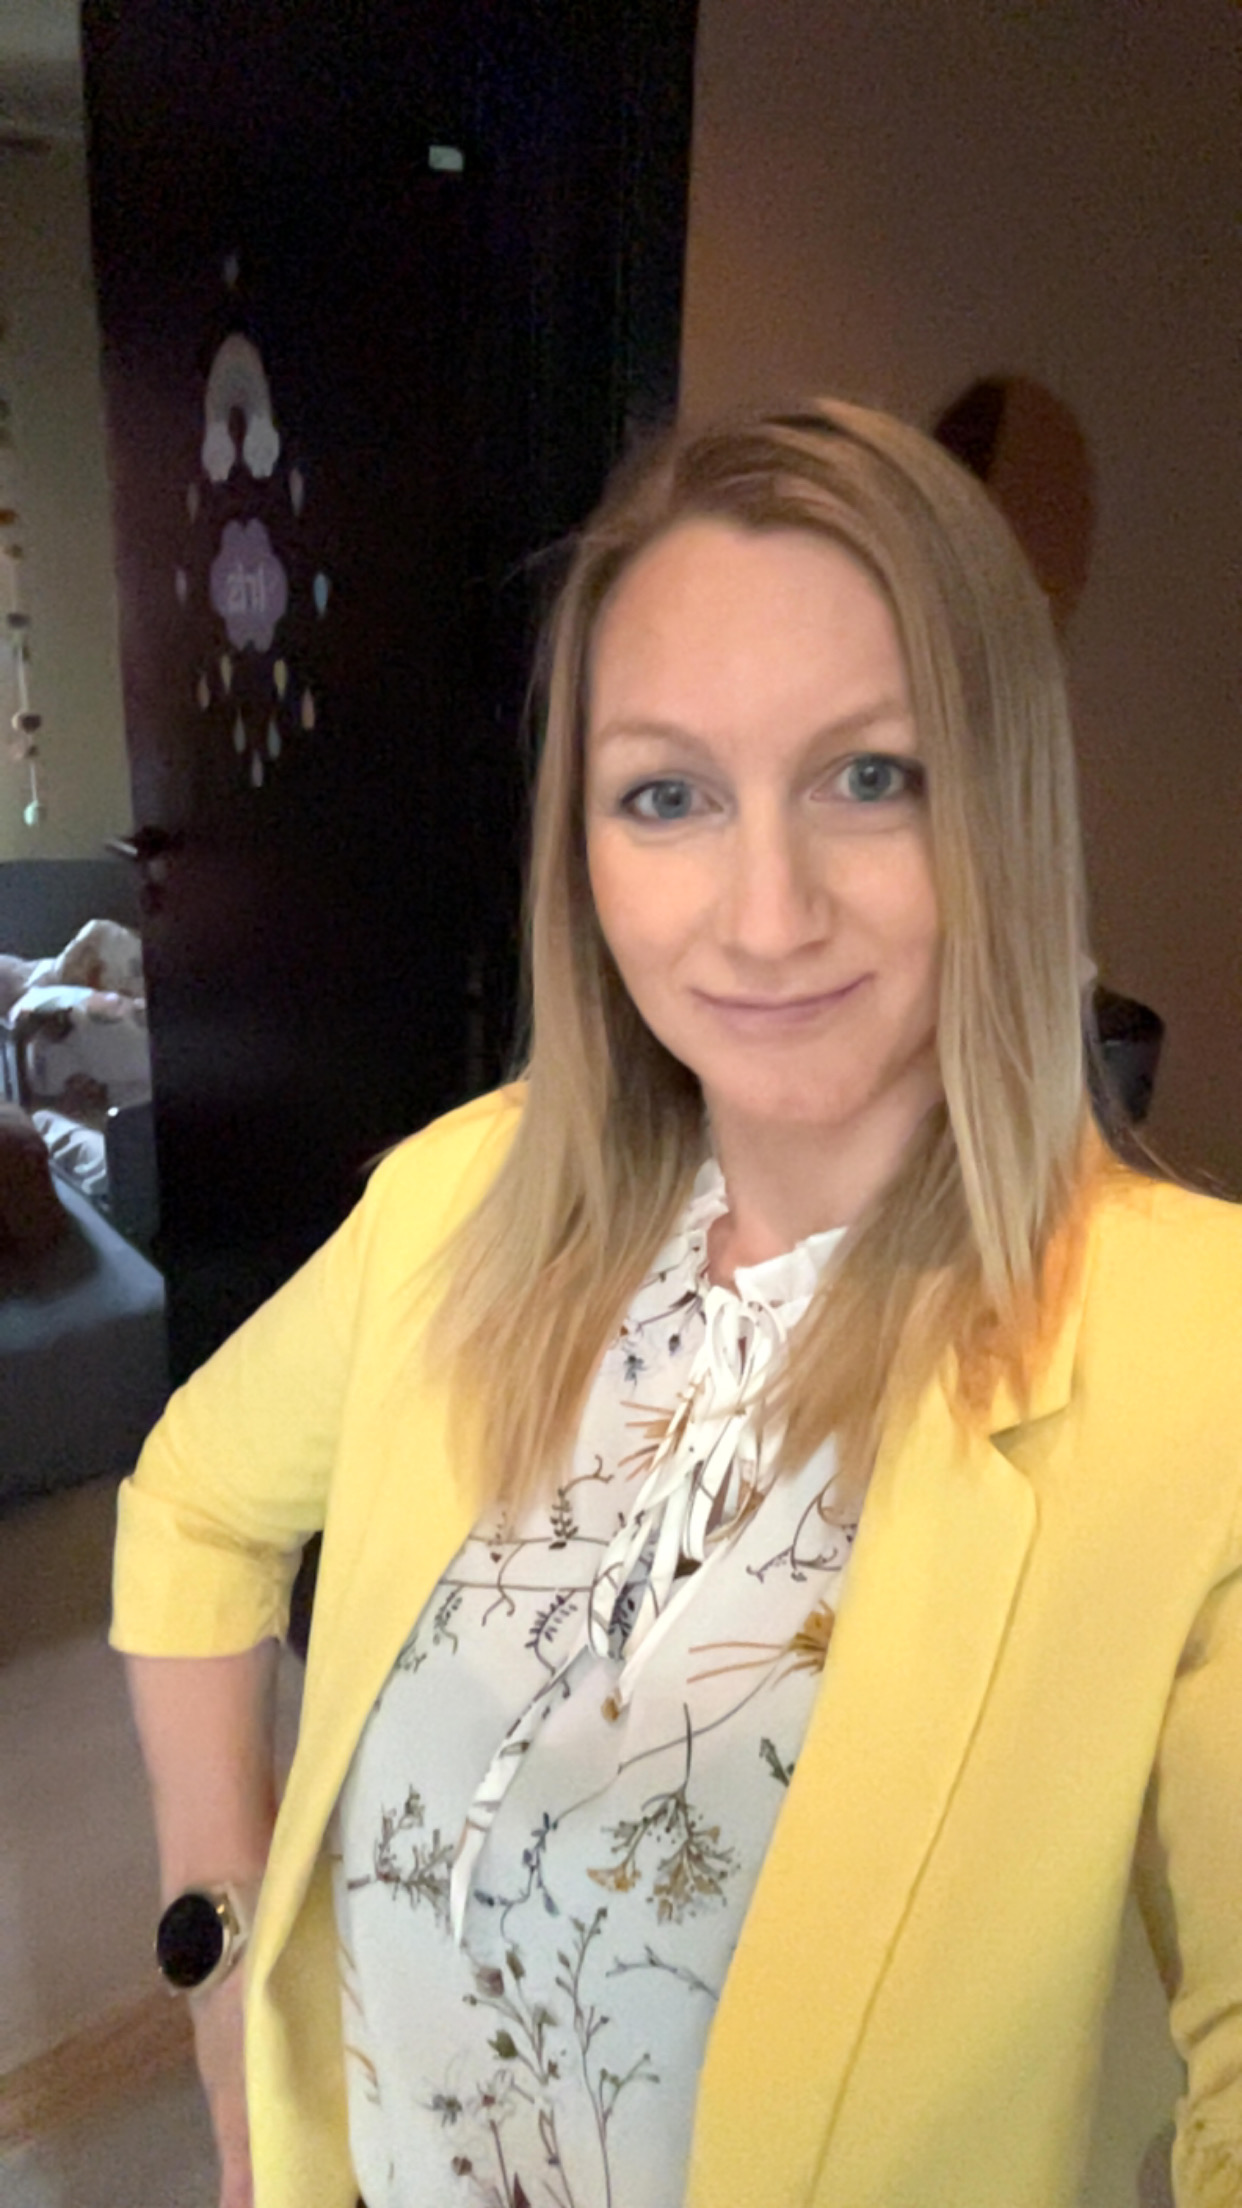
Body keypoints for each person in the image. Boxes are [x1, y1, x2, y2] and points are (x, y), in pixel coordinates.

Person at [112, 397, 1242, 2208]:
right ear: (582, 849)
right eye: (667, 795)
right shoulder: (464, 1201)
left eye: (871, 778)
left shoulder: (1197, 1363)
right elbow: (194, 1503)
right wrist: (223, 1964)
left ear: (1004, 808)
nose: (764, 915)